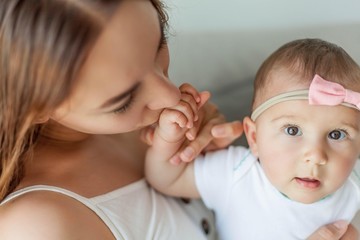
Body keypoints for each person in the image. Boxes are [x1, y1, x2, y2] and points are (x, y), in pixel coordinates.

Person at [0, 0, 353, 239]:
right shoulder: (39, 226)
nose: (171, 95)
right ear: (35, 106)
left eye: (159, 46)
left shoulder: (145, 121)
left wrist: (210, 145)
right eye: (123, 101)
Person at [145, 38, 360, 239]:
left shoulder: (354, 185)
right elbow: (166, 178)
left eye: (336, 134)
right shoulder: (237, 173)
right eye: (293, 130)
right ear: (254, 137)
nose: (315, 155)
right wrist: (168, 138)